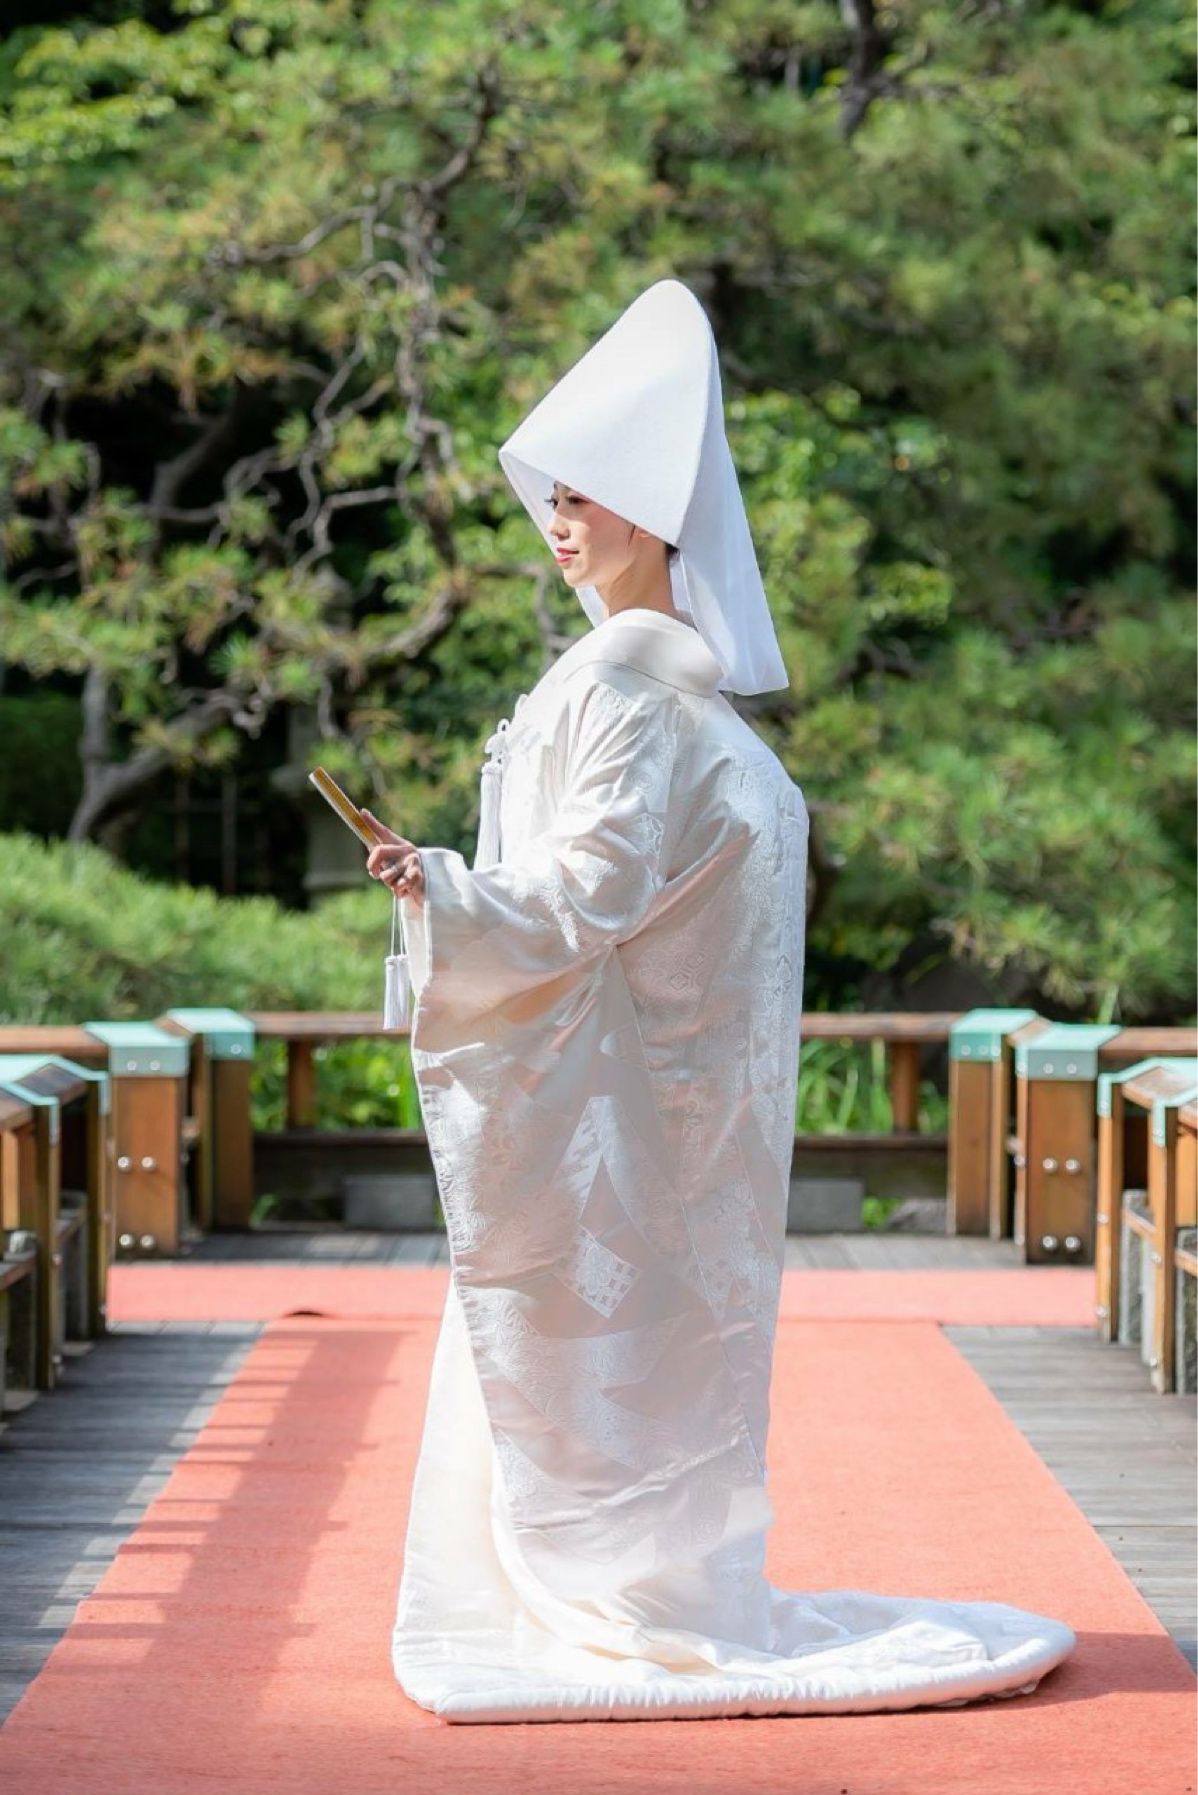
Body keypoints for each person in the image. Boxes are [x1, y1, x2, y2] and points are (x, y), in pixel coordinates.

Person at [365, 280, 1076, 1723]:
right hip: (681, 1098)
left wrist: (439, 890)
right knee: (671, 1340)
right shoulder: (686, 701)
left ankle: (623, 1598)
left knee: (627, 1343)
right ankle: (654, 1588)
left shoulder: (626, 689)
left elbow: (589, 891)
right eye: (552, 499)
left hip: (633, 1102)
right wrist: (451, 892)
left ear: (649, 514)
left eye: (582, 497)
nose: (558, 522)